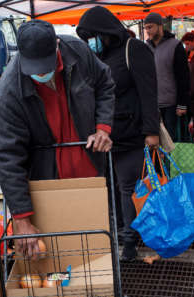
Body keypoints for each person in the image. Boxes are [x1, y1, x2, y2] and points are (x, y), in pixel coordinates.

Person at [0, 20, 116, 258]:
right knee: (60, 248)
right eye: (33, 68)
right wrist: (22, 218)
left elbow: (105, 83)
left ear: (57, 45)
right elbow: (8, 158)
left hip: (90, 169)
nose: (40, 73)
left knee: (99, 240)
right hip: (48, 181)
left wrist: (103, 128)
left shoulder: (77, 52)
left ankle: (105, 281)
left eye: (44, 65)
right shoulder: (9, 92)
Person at [76, 6, 160, 261]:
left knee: (128, 188)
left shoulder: (133, 49)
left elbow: (149, 91)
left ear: (105, 31)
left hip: (131, 134)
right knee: (113, 189)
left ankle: (130, 244)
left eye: (92, 36)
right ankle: (122, 234)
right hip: (105, 138)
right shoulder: (97, 57)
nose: (89, 42)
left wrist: (151, 131)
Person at [144, 12, 190, 141]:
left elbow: (183, 77)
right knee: (155, 143)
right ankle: (160, 162)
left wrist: (182, 104)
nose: (148, 31)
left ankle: (174, 162)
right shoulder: (146, 47)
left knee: (172, 140)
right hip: (153, 105)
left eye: (150, 27)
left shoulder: (175, 45)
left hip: (172, 105)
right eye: (146, 28)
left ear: (160, 26)